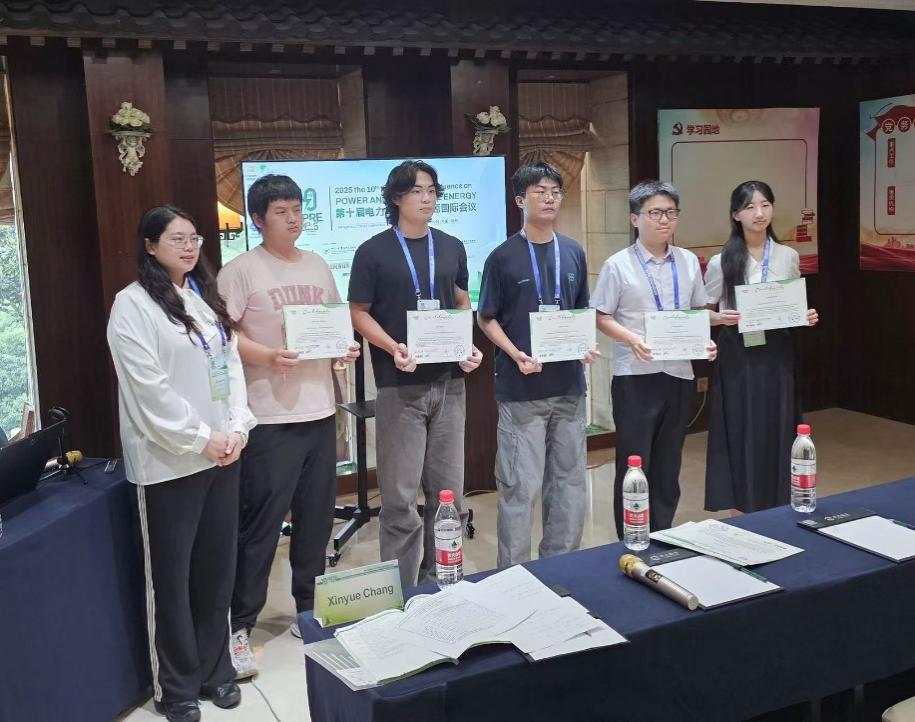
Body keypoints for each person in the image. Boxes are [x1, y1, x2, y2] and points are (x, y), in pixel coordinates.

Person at [107, 206, 256, 722]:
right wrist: (201, 438)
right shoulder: (131, 306)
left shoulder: (201, 298)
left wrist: (237, 428)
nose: (190, 247)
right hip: (169, 464)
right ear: (150, 246)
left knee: (217, 572)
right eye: (177, 239)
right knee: (170, 581)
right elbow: (149, 392)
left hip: (222, 456)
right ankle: (175, 687)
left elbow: (230, 367)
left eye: (194, 239)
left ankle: (217, 671)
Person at [217, 175, 359, 677]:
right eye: (281, 211)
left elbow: (334, 322)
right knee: (261, 527)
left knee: (316, 521)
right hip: (269, 417)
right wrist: (268, 355)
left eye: (297, 209)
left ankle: (309, 609)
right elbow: (220, 338)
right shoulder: (240, 271)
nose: (293, 218)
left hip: (319, 410)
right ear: (258, 219)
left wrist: (343, 348)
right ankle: (239, 625)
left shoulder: (318, 264)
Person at [348, 159, 482, 588]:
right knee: (400, 499)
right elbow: (358, 312)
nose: (427, 199)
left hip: (450, 384)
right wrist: (393, 347)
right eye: (417, 191)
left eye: (432, 191)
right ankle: (401, 590)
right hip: (399, 386)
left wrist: (467, 345)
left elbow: (461, 300)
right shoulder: (372, 251)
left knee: (448, 495)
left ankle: (442, 581)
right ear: (396, 197)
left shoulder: (451, 245)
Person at [477, 162, 596, 568]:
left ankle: (562, 567)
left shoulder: (573, 251)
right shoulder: (502, 257)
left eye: (555, 191)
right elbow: (486, 317)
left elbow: (581, 312)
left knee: (569, 485)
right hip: (522, 390)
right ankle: (514, 577)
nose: (549, 198)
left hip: (569, 389)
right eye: (540, 191)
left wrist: (585, 346)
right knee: (519, 487)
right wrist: (515, 353)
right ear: (519, 200)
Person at [592, 180, 716, 538]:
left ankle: (663, 533)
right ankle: (631, 537)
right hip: (635, 375)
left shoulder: (688, 262)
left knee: (668, 461)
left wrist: (705, 342)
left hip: (679, 374)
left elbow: (697, 311)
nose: (664, 220)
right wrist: (632, 339)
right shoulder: (618, 265)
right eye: (656, 213)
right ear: (635, 218)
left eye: (671, 213)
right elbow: (600, 315)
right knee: (635, 462)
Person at [704, 180, 819, 514]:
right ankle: (741, 506)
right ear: (735, 214)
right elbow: (703, 310)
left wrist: (805, 316)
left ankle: (780, 501)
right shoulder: (722, 260)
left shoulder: (787, 256)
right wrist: (719, 318)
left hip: (777, 350)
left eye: (765, 205)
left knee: (778, 423)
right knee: (741, 424)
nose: (759, 213)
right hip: (737, 352)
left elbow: (793, 306)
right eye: (750, 206)